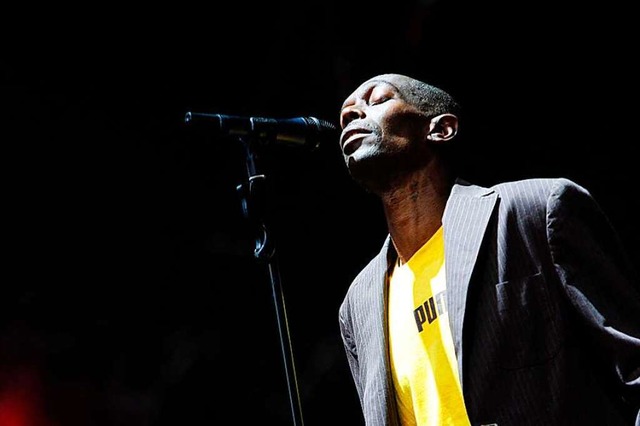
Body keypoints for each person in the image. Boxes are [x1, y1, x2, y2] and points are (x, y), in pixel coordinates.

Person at [336, 73, 640, 426]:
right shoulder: (358, 303)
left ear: (440, 129)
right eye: (346, 115)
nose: (353, 115)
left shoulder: (535, 212)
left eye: (376, 100)